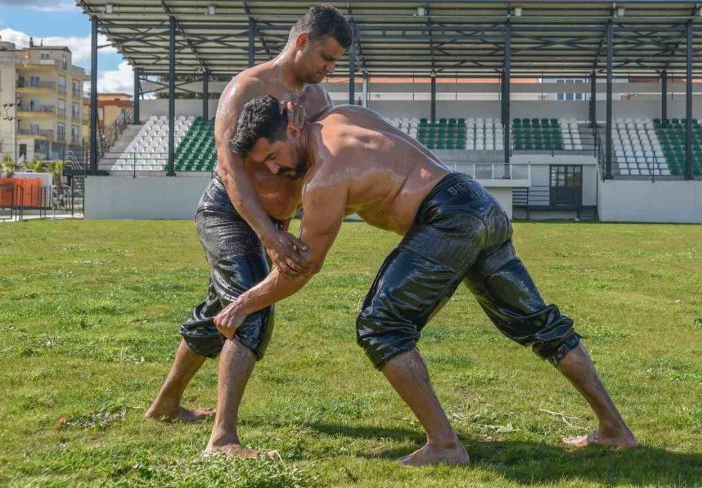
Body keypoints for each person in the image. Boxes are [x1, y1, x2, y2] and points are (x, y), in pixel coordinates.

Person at [214, 96, 637, 466]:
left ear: (291, 128)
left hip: (447, 217)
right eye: (264, 165)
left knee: (382, 326)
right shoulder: (344, 116)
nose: (276, 168)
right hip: (479, 203)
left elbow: (302, 269)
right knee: (539, 323)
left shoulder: (324, 178)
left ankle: (444, 444)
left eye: (273, 156)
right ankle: (614, 428)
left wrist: (241, 304)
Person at [144, 6, 353, 458]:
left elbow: (310, 172)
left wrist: (291, 227)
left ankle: (165, 404)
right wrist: (270, 235)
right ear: (302, 42)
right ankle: (222, 439)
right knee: (249, 309)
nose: (328, 69)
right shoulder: (247, 88)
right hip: (228, 213)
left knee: (218, 309)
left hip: (273, 224)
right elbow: (231, 169)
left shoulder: (319, 103)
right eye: (325, 56)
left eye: (336, 62)